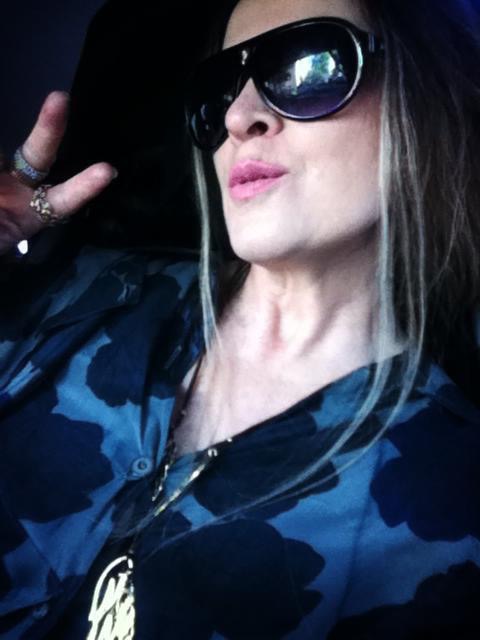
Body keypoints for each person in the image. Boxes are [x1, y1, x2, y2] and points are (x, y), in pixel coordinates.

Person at [1, 0, 480, 638]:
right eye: (221, 88)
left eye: (307, 64)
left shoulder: (450, 506)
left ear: (425, 100)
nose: (236, 116)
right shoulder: (85, 291)